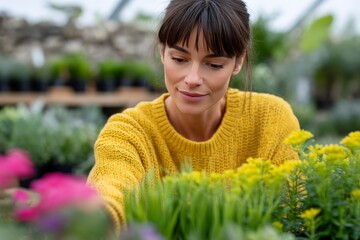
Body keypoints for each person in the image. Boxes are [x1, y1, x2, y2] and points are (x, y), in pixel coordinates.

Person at [87, 0, 300, 231]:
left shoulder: (270, 119)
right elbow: (112, 186)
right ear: (162, 52)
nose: (192, 78)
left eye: (214, 64)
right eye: (179, 59)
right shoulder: (129, 132)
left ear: (238, 62)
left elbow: (296, 210)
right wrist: (96, 221)